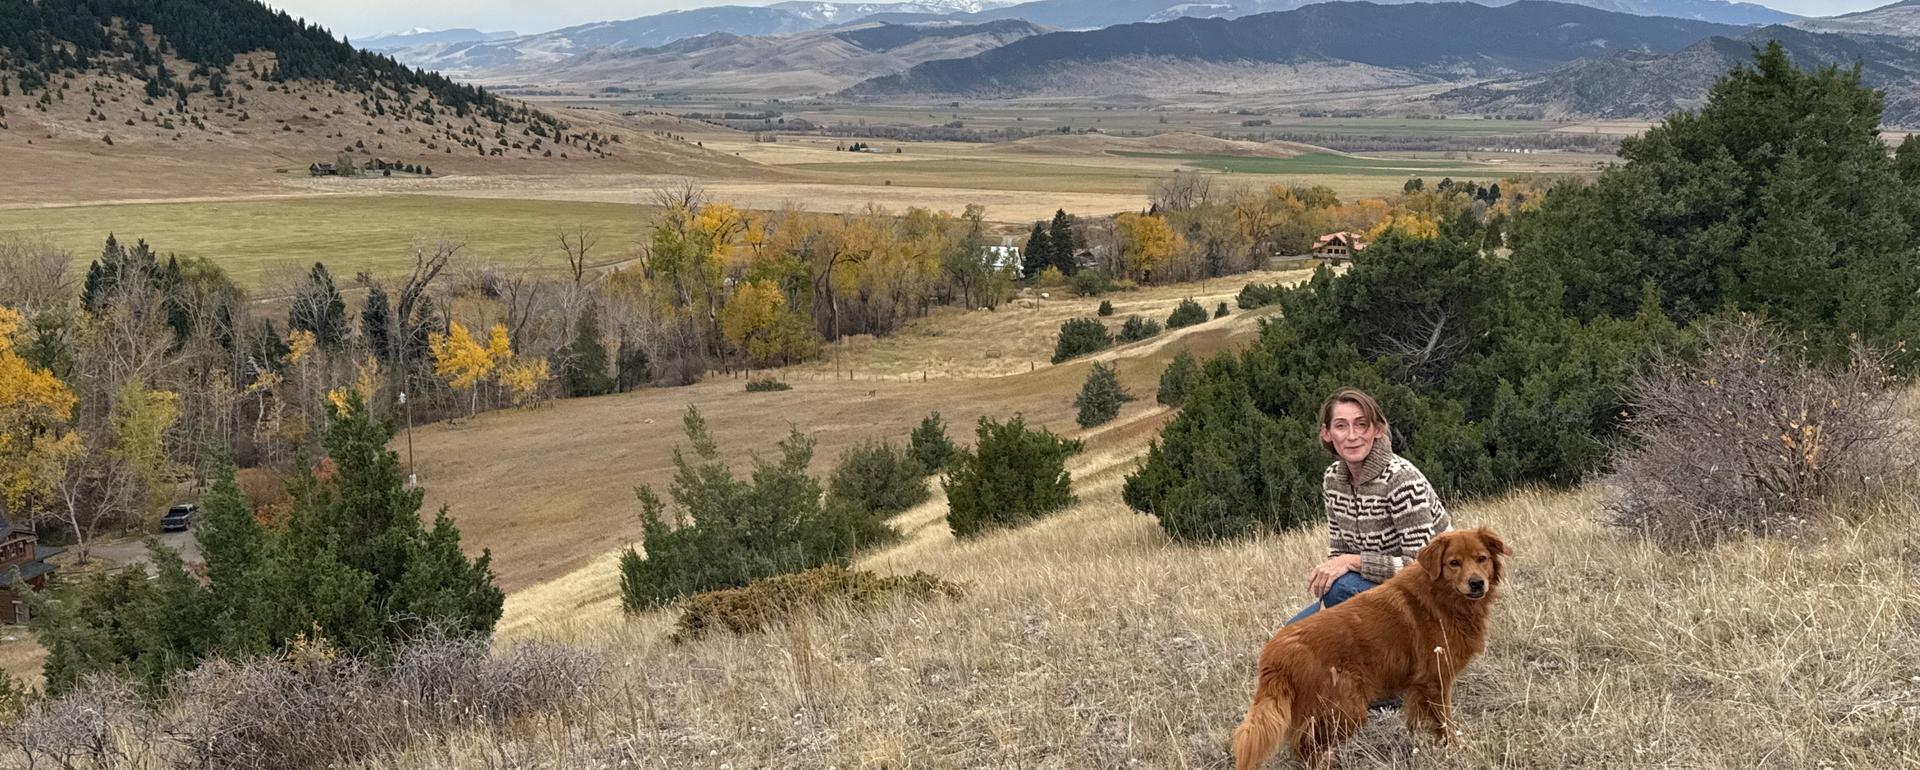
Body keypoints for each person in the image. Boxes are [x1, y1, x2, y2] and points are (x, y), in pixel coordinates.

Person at [1286, 388, 1453, 626]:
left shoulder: (1401, 479)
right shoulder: (1333, 479)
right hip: (1377, 589)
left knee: (1341, 591)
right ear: (1326, 433)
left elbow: (1422, 567)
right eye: (1341, 426)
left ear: (1377, 429)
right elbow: (1338, 553)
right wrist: (1326, 607)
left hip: (1432, 596)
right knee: (1292, 635)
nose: (1352, 436)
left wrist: (1353, 562)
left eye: (1361, 424)